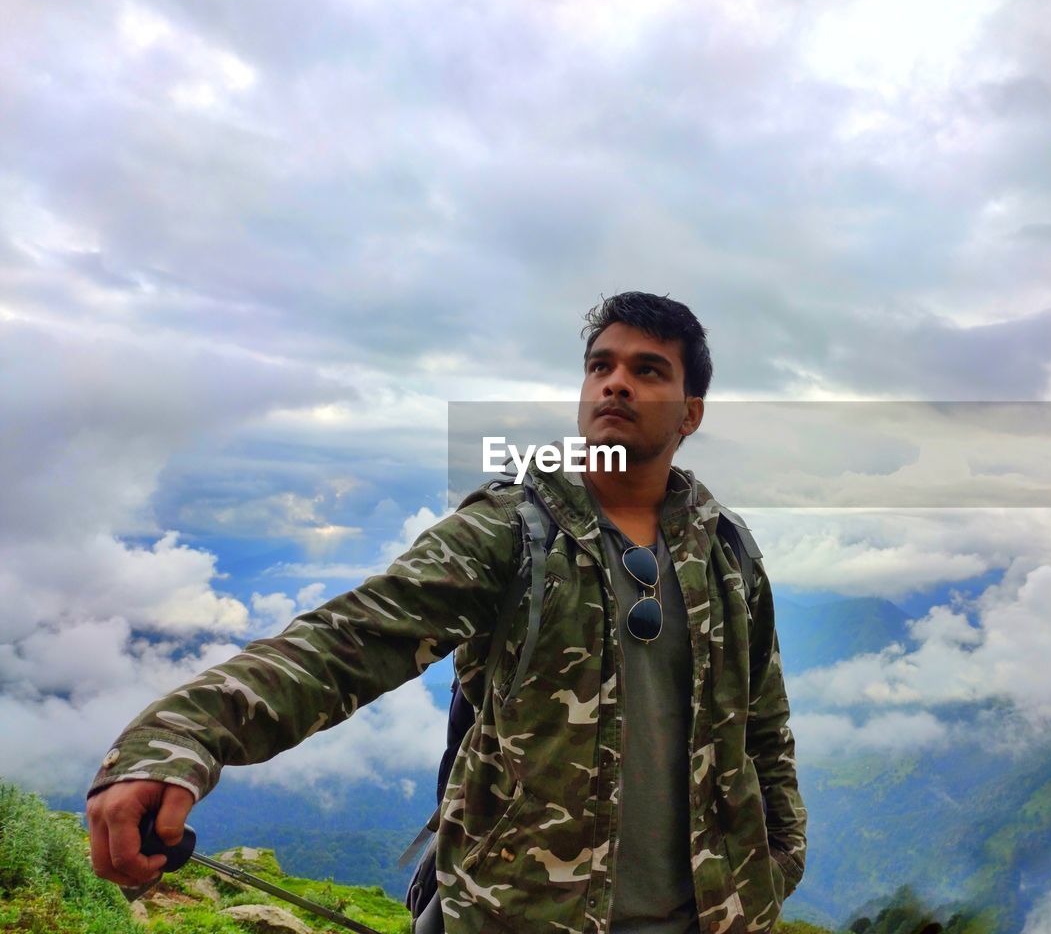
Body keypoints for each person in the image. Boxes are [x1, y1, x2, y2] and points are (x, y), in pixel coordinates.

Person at [86, 292, 807, 933]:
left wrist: (778, 865)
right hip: (521, 915)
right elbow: (351, 638)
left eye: (648, 370)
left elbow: (763, 727)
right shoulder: (512, 529)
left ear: (690, 413)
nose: (615, 381)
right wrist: (177, 738)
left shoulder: (726, 552)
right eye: (600, 365)